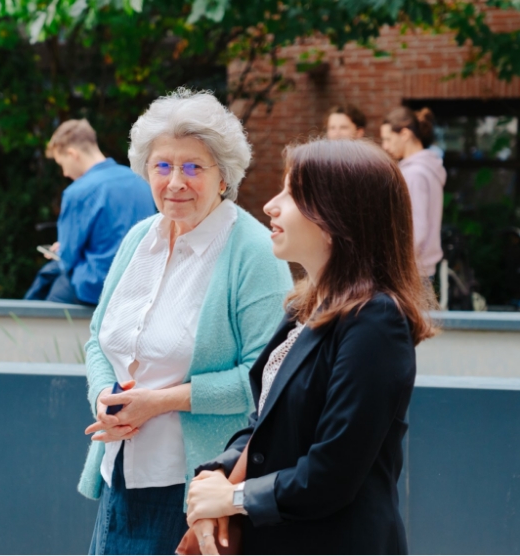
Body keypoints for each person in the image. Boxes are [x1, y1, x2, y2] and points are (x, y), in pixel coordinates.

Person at [185, 139, 436, 555]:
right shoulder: (306, 306)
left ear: (338, 217)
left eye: (293, 194)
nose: (271, 205)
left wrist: (234, 498)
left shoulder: (376, 320)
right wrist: (218, 473)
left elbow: (333, 472)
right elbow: (265, 422)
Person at [78, 88, 293, 555]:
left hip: (193, 490)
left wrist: (158, 402)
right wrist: (103, 396)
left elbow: (269, 380)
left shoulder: (253, 252)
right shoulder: (139, 237)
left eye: (194, 167)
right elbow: (98, 339)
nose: (176, 181)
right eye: (163, 166)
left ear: (224, 177)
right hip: (119, 476)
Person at [24, 119, 155, 305]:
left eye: (62, 164)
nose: (65, 173)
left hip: (95, 287)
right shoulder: (141, 181)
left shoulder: (78, 192)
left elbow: (69, 259)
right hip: (137, 285)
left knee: (42, 293)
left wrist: (63, 251)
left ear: (72, 154)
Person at [381, 106, 446, 279]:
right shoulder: (429, 167)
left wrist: (393, 266)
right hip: (422, 270)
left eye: (388, 139)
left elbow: (416, 229)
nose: (384, 146)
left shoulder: (414, 174)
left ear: (404, 134)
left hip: (410, 273)